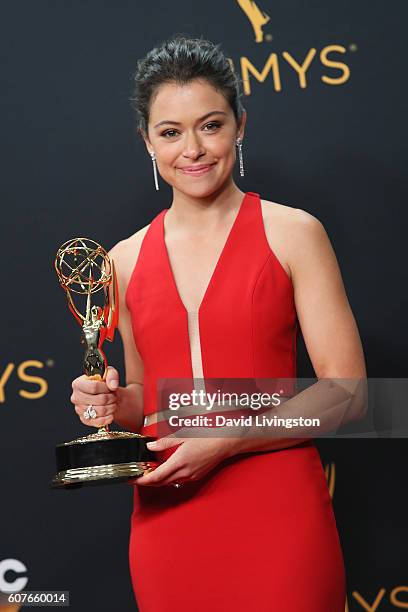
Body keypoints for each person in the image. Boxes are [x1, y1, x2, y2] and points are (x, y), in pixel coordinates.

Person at [70, 35, 366, 611]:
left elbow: (349, 394)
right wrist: (109, 403)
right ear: (147, 141)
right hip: (169, 517)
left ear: (240, 125)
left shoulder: (293, 232)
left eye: (210, 125)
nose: (193, 150)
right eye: (170, 132)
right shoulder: (121, 261)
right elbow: (147, 400)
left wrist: (227, 439)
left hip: (278, 508)